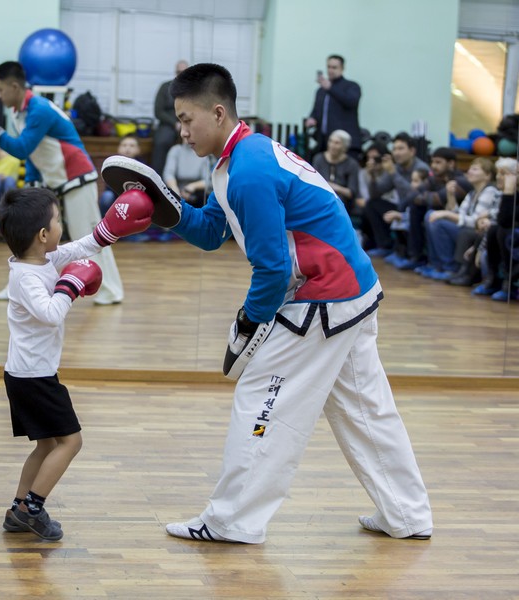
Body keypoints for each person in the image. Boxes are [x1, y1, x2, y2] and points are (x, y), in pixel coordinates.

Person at [109, 63, 433, 543]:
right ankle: (408, 515)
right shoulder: (238, 156)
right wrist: (168, 210)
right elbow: (211, 232)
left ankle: (232, 521)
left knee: (263, 396)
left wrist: (248, 326)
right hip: (351, 289)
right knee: (368, 410)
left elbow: (274, 270)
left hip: (322, 297)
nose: (180, 131)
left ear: (217, 113)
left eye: (186, 119)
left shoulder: (249, 173)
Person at [0, 185, 152, 541]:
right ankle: (32, 510)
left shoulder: (43, 258)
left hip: (30, 373)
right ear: (42, 234)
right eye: (57, 220)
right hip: (33, 378)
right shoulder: (25, 276)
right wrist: (71, 283)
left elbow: (81, 248)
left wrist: (110, 229)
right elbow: (51, 314)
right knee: (71, 442)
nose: (60, 225)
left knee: (48, 444)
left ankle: (19, 508)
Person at [0, 60, 125, 305]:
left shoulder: (39, 109)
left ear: (15, 86)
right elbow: (33, 152)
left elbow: (21, 148)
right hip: (54, 179)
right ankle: (16, 285)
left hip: (77, 177)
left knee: (90, 236)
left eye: (0, 89)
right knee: (30, 235)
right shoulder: (18, 111)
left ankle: (111, 290)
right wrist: (30, 185)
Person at [390, 147, 472, 271]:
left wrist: (424, 197)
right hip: (441, 217)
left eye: (438, 162)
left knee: (430, 213)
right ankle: (417, 257)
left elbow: (438, 199)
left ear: (451, 163)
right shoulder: (435, 179)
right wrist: (424, 197)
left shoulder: (460, 181)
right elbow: (412, 195)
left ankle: (444, 265)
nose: (433, 166)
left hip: (459, 222)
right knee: (415, 208)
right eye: (432, 162)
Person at [422, 157, 500, 281]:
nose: (469, 171)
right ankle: (435, 265)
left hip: (477, 232)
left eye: (475, 169)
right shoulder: (472, 193)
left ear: (487, 175)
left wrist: (446, 214)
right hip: (466, 229)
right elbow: (458, 214)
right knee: (431, 215)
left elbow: (475, 221)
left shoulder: (490, 191)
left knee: (438, 223)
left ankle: (449, 267)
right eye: (469, 169)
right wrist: (450, 196)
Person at [361, 133, 429, 258]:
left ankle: (412, 255)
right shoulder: (395, 167)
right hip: (401, 207)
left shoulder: (421, 168)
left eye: (400, 148)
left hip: (416, 210)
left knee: (411, 210)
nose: (396, 153)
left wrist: (393, 173)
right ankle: (385, 246)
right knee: (372, 204)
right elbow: (376, 193)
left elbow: (413, 196)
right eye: (394, 149)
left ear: (412, 151)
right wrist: (372, 176)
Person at [473, 157, 518, 301]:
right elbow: (501, 220)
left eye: (504, 174)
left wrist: (509, 191)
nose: (498, 177)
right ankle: (494, 281)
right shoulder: (504, 194)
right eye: (498, 173)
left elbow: (505, 221)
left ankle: (509, 284)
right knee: (493, 229)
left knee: (503, 231)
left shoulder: (508, 194)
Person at [305, 55, 362, 159]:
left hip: (346, 145)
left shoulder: (351, 86)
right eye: (329, 67)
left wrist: (330, 88)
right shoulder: (321, 91)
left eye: (334, 67)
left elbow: (351, 102)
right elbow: (316, 110)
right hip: (325, 144)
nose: (330, 70)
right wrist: (312, 118)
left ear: (342, 68)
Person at [151, 60, 189, 175]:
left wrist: (184, 123)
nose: (181, 74)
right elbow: (158, 112)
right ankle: (155, 178)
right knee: (162, 141)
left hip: (188, 122)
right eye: (178, 71)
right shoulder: (165, 87)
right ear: (175, 72)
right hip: (168, 124)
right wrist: (174, 123)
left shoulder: (194, 90)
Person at [311, 129, 360, 216]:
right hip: (320, 197)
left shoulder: (352, 164)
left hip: (342, 203)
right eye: (330, 141)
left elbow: (351, 193)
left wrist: (335, 187)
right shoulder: (318, 158)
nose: (332, 145)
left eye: (337, 143)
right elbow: (312, 182)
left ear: (345, 147)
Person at [163, 132, 212, 207]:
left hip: (195, 195)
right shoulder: (175, 150)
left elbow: (207, 181)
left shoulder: (201, 152)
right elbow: (168, 174)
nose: (187, 135)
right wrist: (176, 192)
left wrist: (192, 186)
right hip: (176, 193)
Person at [98, 134, 143, 216]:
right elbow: (109, 185)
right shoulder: (113, 163)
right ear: (119, 148)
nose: (127, 148)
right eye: (124, 145)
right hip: (115, 196)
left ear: (138, 150)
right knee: (107, 196)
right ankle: (104, 222)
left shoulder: (143, 166)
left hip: (135, 197)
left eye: (132, 146)